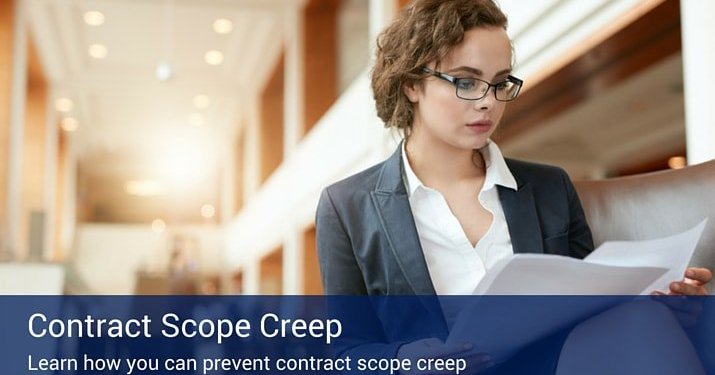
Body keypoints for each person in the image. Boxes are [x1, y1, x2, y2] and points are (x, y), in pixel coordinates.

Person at [315, 0, 712, 373]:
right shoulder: (347, 207)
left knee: (643, 318)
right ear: (411, 85)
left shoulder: (550, 187)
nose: (488, 102)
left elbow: (594, 309)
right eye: (467, 82)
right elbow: (348, 349)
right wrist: (406, 359)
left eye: (500, 83)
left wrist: (667, 304)